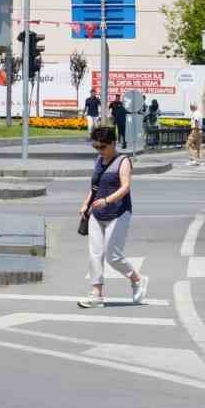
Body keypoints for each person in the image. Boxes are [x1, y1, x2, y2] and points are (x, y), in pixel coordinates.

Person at [77, 124, 149, 309]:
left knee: (113, 256)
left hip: (118, 212)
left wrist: (107, 200)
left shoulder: (123, 161)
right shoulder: (98, 160)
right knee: (95, 254)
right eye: (96, 147)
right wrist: (86, 204)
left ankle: (137, 279)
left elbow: (125, 187)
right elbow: (94, 187)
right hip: (96, 213)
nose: (99, 150)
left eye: (102, 147)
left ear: (113, 143)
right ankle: (96, 294)